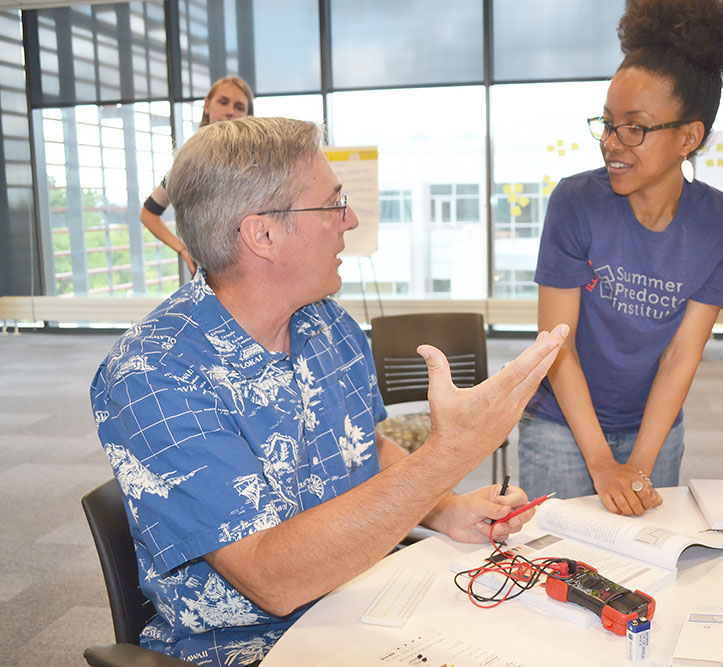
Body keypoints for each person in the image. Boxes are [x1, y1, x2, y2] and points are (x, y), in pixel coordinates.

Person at [90, 116, 568, 666]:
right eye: (333, 204)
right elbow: (272, 579)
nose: (351, 220)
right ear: (261, 234)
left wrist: (445, 509)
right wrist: (448, 455)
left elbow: (363, 448)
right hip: (250, 650)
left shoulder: (325, 323)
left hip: (364, 598)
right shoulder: (154, 373)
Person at [518, 0, 723, 516]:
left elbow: (680, 355)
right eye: (606, 123)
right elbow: (558, 346)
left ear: (689, 136)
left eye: (634, 127)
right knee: (550, 567)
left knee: (640, 566)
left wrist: (639, 464)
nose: (611, 143)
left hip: (655, 430)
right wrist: (602, 462)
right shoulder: (575, 203)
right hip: (561, 426)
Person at [140, 75, 254, 276]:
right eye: (223, 102)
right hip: (208, 276)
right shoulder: (190, 161)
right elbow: (148, 214)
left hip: (250, 268)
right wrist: (182, 249)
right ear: (207, 106)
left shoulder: (257, 162)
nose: (230, 112)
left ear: (247, 116)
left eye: (239, 107)